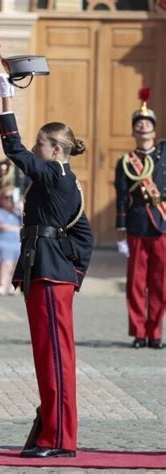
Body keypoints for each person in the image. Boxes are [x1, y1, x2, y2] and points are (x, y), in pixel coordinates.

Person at [0, 73, 93, 458]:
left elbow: (14, 151)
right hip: (49, 272)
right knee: (48, 356)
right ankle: (53, 432)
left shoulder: (55, 174)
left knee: (54, 357)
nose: (35, 149)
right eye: (38, 142)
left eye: (41, 143)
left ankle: (58, 439)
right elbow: (84, 234)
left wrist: (6, 100)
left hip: (52, 276)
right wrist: (77, 273)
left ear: (56, 150)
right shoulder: (60, 180)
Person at [114, 88, 165, 350]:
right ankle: (138, 332)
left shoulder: (165, 154)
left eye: (147, 124)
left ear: (154, 131)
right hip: (136, 224)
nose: (143, 126)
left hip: (162, 225)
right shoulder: (125, 161)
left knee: (160, 283)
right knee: (136, 283)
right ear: (134, 132)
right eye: (138, 124)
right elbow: (121, 196)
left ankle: (155, 333)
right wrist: (121, 229)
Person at [0, 185, 22, 296]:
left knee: (20, 251)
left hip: (16, 242)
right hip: (1, 240)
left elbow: (24, 226)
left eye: (12, 197)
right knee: (7, 250)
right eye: (7, 197)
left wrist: (20, 208)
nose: (9, 200)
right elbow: (2, 226)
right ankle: (2, 284)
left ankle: (13, 285)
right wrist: (15, 228)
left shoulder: (18, 213)